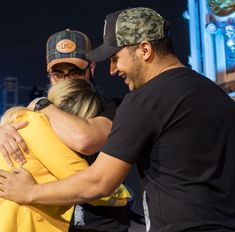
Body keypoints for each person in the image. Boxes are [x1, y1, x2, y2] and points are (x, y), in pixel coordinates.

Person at [1, 6, 235, 231]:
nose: (112, 69)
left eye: (116, 57)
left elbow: (100, 182)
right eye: (58, 72)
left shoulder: (144, 100)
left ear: (144, 50)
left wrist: (29, 192)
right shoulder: (218, 96)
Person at [0, 29, 132, 231]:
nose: (66, 80)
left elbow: (85, 140)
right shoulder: (34, 115)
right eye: (58, 73)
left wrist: (43, 106)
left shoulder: (110, 107)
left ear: (91, 68)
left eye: (75, 72)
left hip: (98, 223)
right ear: (48, 72)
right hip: (55, 220)